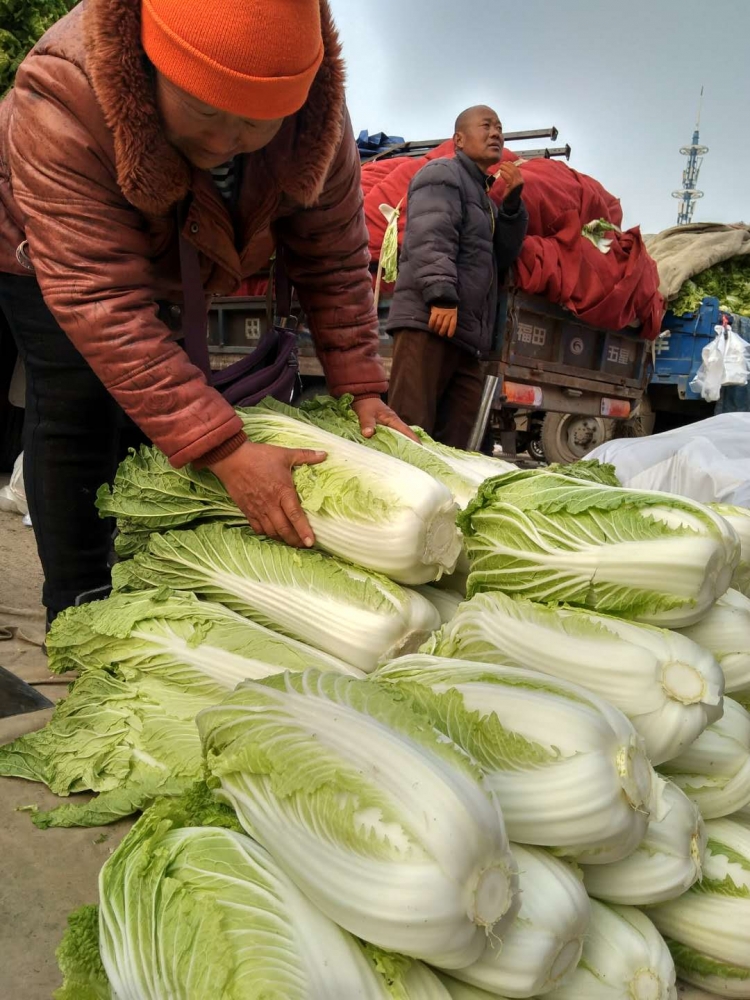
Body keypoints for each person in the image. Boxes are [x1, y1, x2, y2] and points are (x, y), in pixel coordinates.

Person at [0, 0, 414, 624]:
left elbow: (333, 258)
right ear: (149, 64)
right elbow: (101, 299)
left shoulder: (316, 119)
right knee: (76, 400)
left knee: (148, 423)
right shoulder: (64, 92)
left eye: (255, 124)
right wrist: (223, 449)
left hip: (159, 253)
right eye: (202, 110)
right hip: (36, 246)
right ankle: (80, 605)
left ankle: (136, 577)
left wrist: (361, 388)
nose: (225, 143)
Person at [386, 105, 529, 449]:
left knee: (456, 443)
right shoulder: (442, 174)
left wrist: (511, 207)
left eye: (499, 127)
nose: (496, 133)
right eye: (486, 126)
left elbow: (502, 257)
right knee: (410, 434)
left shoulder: (483, 200)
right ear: (459, 140)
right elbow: (430, 237)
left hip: (465, 338)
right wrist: (442, 297)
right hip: (430, 323)